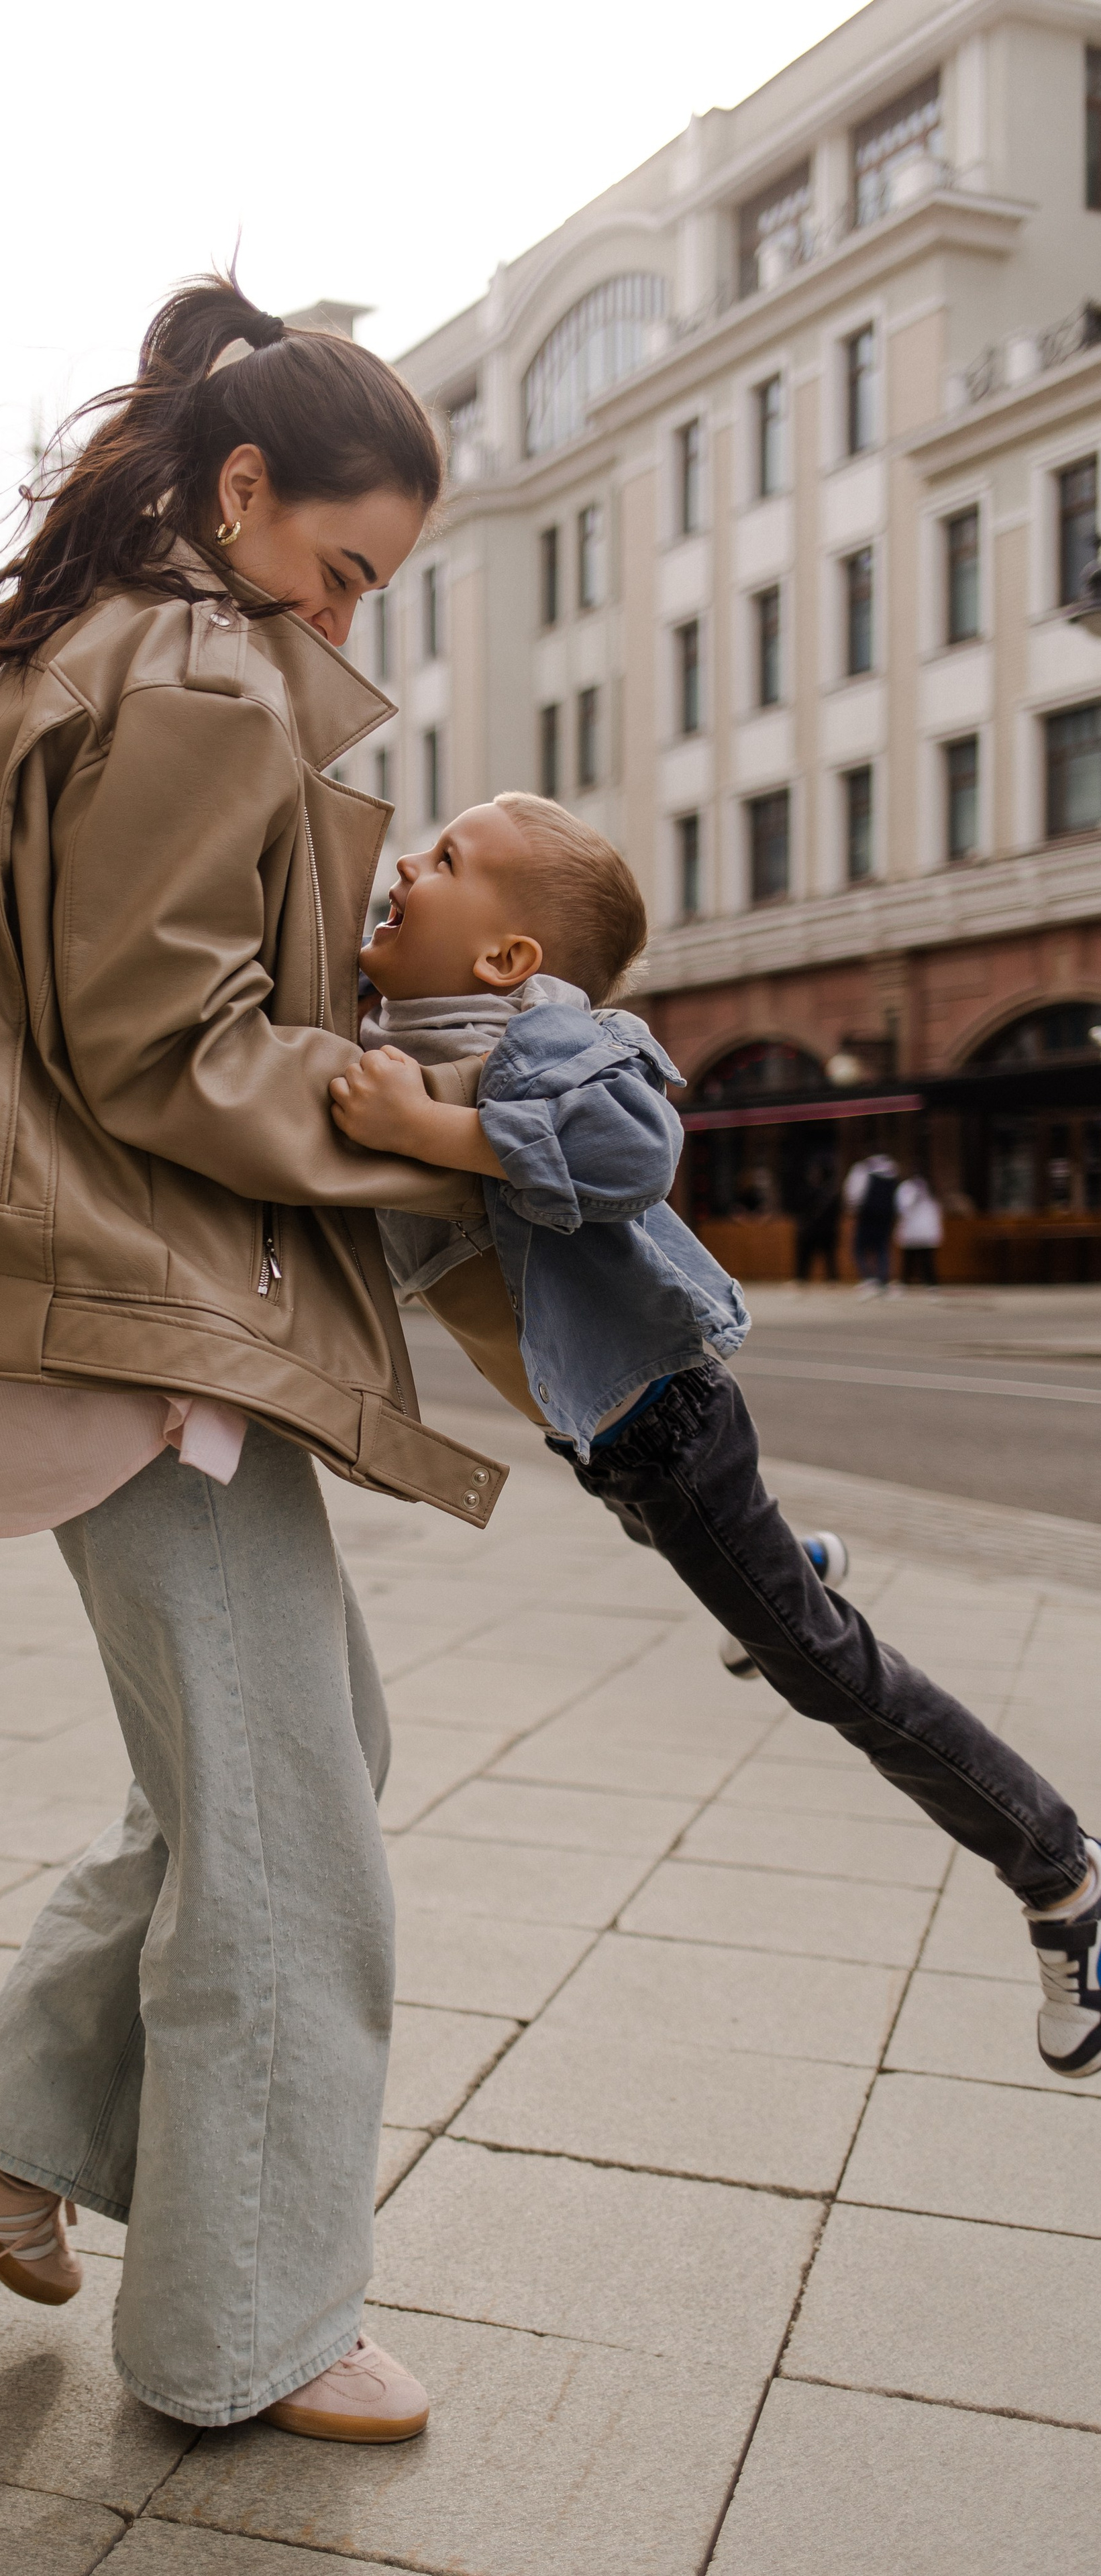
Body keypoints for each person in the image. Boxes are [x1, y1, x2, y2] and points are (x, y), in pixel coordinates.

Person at [0, 278, 502, 2443]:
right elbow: (165, 1043)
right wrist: (421, 1135)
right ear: (242, 490)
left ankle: (7, 2141)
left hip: (98, 1286)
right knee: (290, 1829)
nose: (346, 610)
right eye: (346, 565)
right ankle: (248, 2327)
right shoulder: (205, 668)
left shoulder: (121, 643)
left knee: (279, 1761)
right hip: (126, 1297)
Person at [329, 791, 1101, 2082]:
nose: (408, 859)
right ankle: (791, 1561)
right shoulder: (404, 1025)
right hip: (609, 1439)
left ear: (510, 960)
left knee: (825, 1670)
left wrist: (427, 1129)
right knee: (728, 1569)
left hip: (664, 1429)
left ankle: (1063, 1876)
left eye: (447, 857)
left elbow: (633, 1151)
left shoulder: (544, 1039)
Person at [845, 1148, 900, 1294]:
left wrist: (853, 1209)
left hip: (867, 1214)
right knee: (882, 1247)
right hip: (886, 1216)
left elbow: (854, 1193)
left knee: (859, 1248)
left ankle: (868, 1278)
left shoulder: (863, 1170)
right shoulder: (892, 1172)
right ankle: (883, 1279)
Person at [790, 1150, 841, 1283]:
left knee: (830, 1260)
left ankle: (832, 1282)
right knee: (804, 1260)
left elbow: (836, 1213)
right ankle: (801, 1280)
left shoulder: (830, 1193)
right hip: (809, 1231)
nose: (814, 1175)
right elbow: (799, 1209)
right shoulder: (806, 1191)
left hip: (826, 1231)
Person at [895, 1169, 944, 1287]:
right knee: (910, 1257)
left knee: (926, 1258)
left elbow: (936, 1211)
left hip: (925, 1229)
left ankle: (930, 1281)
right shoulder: (907, 1188)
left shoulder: (931, 1190)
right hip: (913, 1228)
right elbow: (903, 1207)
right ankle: (906, 1280)